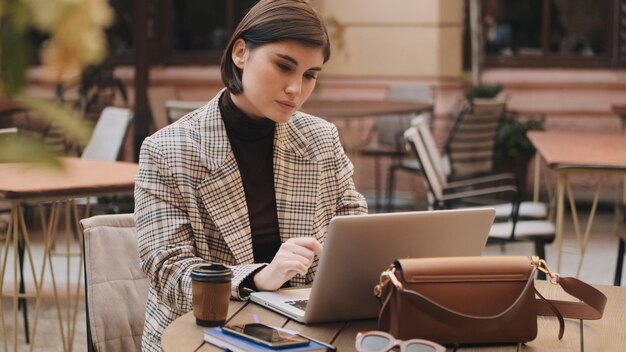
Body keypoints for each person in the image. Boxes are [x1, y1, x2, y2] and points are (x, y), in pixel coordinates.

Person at [134, 0, 368, 350]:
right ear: (240, 53)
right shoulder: (168, 150)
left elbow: (354, 233)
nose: (296, 89)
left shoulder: (320, 139)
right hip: (204, 336)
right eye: (283, 67)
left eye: (309, 76)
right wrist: (258, 277)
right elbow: (168, 271)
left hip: (305, 332)